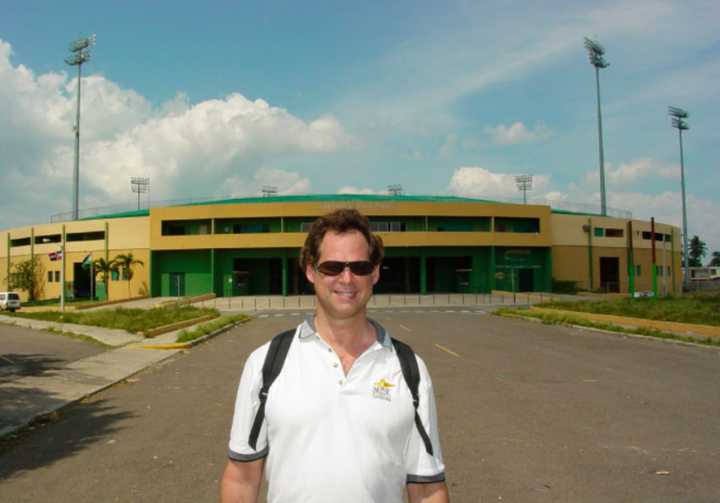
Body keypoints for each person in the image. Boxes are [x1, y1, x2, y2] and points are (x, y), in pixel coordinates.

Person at [220, 208, 449, 503]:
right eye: (332, 267)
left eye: (359, 267)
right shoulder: (266, 363)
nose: (347, 278)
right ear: (310, 271)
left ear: (375, 272)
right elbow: (241, 478)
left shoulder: (409, 369)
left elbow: (428, 488)